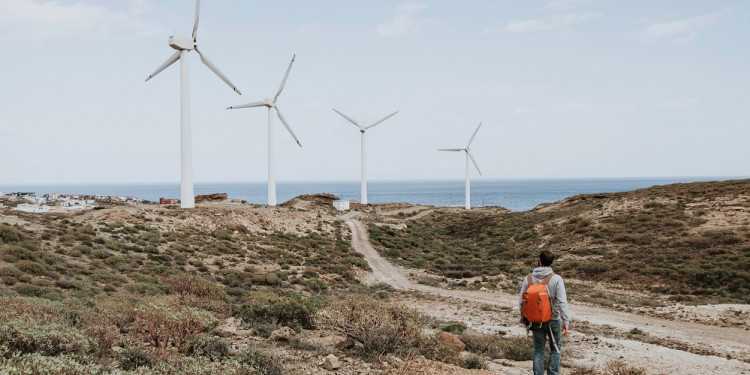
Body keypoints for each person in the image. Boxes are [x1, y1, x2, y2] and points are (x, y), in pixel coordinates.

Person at [518, 250, 570, 375]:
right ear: (552, 263)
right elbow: (562, 301)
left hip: (535, 320)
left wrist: (523, 316)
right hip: (553, 319)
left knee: (539, 350)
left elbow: (521, 300)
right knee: (555, 349)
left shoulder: (529, 278)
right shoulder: (556, 279)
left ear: (539, 261)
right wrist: (566, 321)